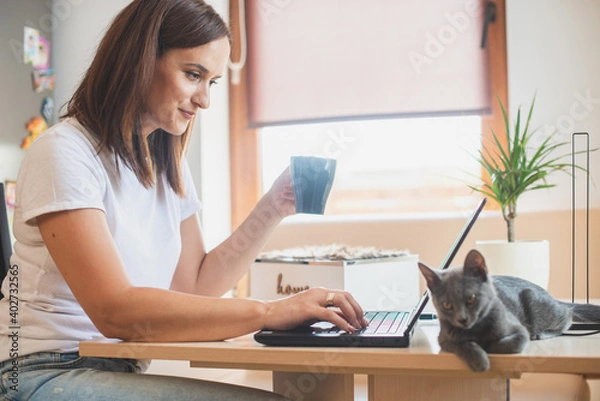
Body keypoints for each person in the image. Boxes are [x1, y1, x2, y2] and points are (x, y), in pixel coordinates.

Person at [0, 0, 367, 400]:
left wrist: (274, 205)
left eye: (211, 82)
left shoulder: (165, 163)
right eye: (193, 75)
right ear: (140, 59)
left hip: (112, 369)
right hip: (39, 372)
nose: (205, 100)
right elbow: (114, 311)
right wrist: (268, 311)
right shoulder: (65, 152)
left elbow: (195, 286)